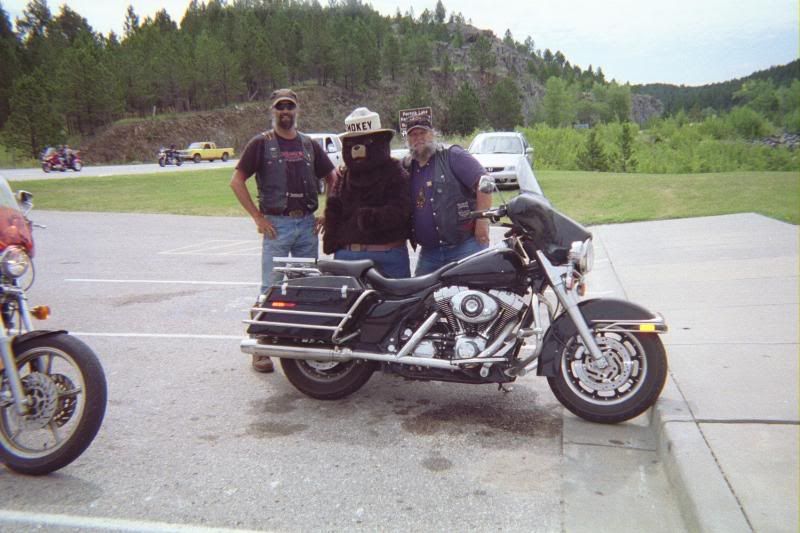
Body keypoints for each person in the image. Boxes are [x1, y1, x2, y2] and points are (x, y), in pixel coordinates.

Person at [230, 88, 337, 373]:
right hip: (276, 226)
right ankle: (260, 347)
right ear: (273, 111)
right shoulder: (260, 144)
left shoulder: (309, 144)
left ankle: (298, 341)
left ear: (297, 110)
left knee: (305, 287)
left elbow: (333, 177)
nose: (285, 111)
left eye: (290, 106)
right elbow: (236, 181)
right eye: (280, 107)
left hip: (307, 225)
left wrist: (327, 212)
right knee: (271, 287)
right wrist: (257, 217)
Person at [323, 107, 411, 278]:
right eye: (351, 144)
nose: (357, 148)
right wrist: (331, 237)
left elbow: (402, 210)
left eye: (367, 141)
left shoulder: (395, 172)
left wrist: (371, 218)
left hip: (388, 254)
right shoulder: (344, 176)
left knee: (397, 296)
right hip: (348, 254)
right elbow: (334, 209)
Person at [404, 115, 492, 276]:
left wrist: (482, 221)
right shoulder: (407, 166)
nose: (418, 138)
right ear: (408, 139)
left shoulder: (453, 155)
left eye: (422, 133)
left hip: (465, 246)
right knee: (419, 291)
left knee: (476, 290)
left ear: (432, 134)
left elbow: (485, 183)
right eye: (413, 135)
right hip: (429, 253)